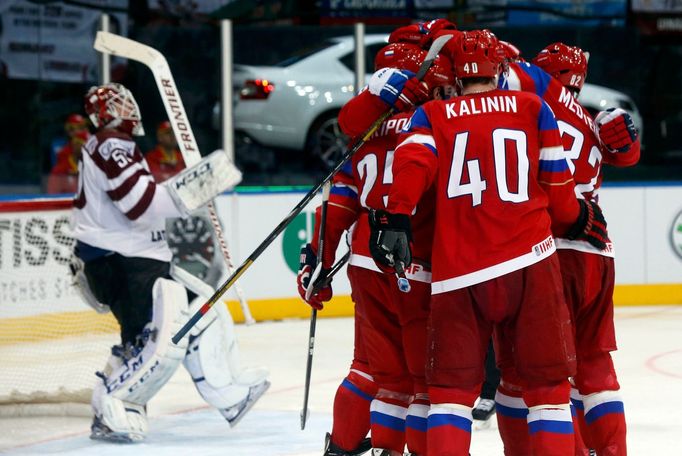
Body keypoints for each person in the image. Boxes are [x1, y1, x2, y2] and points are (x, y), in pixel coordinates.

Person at [369, 30, 609, 456]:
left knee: (449, 396)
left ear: (457, 76)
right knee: (549, 392)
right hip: (531, 267)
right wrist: (580, 219)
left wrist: (396, 216)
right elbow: (559, 197)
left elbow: (413, 162)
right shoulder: (534, 108)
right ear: (500, 70)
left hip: (459, 273)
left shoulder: (434, 116)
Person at [70, 82, 269, 442]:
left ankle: (227, 393)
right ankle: (113, 407)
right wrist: (192, 189)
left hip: (134, 257)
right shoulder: (114, 144)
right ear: (109, 112)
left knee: (201, 313)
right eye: (121, 103)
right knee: (154, 343)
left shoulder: (114, 145)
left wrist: (188, 188)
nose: (131, 109)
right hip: (123, 260)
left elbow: (139, 203)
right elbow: (139, 207)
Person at [298, 37, 456, 456]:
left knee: (371, 368)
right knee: (424, 378)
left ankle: (345, 448)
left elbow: (339, 204)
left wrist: (317, 261)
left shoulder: (365, 133)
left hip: (366, 261)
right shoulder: (434, 123)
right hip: (412, 258)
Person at [497, 41, 639, 456]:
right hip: (596, 249)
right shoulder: (592, 122)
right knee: (594, 366)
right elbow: (626, 152)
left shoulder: (542, 97)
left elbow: (508, 73)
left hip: (546, 248)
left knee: (533, 371)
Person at [47, 114, 91, 194]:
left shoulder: (95, 151)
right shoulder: (63, 153)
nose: (84, 130)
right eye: (80, 127)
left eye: (84, 127)